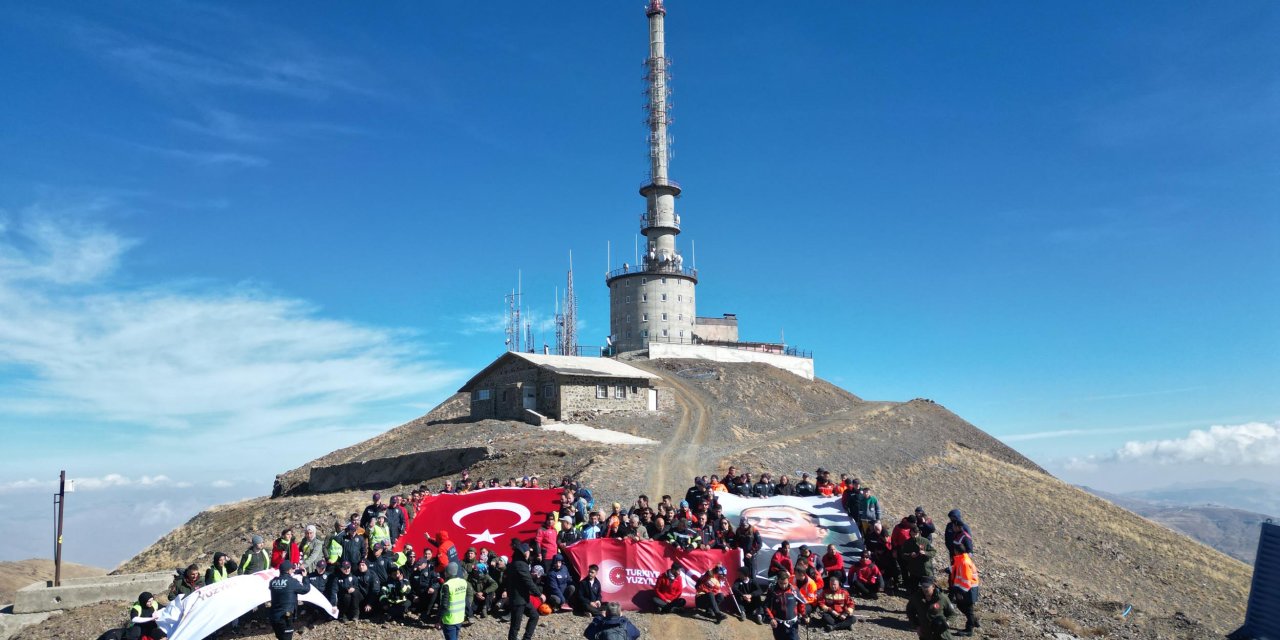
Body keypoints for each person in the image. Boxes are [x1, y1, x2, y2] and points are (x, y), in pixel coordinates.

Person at [505, 540, 542, 640]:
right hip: (518, 599)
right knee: (515, 625)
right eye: (528, 552)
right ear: (525, 552)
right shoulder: (520, 564)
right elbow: (528, 581)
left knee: (534, 615)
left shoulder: (517, 562)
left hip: (523, 598)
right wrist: (539, 594)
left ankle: (526, 638)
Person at [268, 561, 312, 640]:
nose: (293, 571)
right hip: (286, 617)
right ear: (288, 571)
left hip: (274, 616)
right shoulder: (292, 582)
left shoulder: (272, 582)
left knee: (280, 637)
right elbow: (306, 589)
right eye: (292, 569)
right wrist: (305, 577)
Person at [763, 571, 804, 640]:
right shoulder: (773, 591)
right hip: (778, 624)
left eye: (785, 583)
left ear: (788, 580)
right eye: (781, 583)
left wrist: (804, 615)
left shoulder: (794, 590)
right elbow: (766, 606)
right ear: (777, 581)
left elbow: (801, 602)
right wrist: (771, 619)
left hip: (792, 624)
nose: (783, 586)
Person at [949, 550, 981, 635]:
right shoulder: (961, 559)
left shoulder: (964, 562)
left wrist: (961, 592)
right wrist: (947, 569)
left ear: (956, 551)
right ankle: (973, 621)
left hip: (968, 590)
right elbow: (956, 568)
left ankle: (969, 629)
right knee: (961, 606)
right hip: (967, 589)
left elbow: (967, 580)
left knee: (968, 609)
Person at [440, 562, 469, 640]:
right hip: (460, 617)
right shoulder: (463, 582)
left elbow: (444, 605)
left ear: (447, 573)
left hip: (450, 619)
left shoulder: (447, 585)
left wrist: (438, 619)